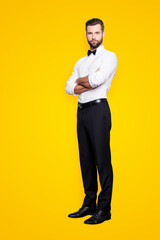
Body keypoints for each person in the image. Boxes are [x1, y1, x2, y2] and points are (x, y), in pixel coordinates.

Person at [65, 18, 117, 224]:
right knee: (86, 160)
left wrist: (80, 80)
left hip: (98, 109)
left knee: (102, 160)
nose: (93, 37)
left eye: (96, 33)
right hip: (82, 111)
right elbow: (69, 88)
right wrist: (83, 80)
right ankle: (89, 204)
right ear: (86, 34)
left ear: (103, 34)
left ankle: (104, 209)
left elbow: (96, 82)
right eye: (89, 33)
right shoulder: (80, 62)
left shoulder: (109, 57)